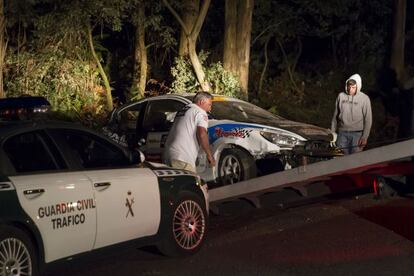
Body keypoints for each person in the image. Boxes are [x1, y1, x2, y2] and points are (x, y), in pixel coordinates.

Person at [164, 91, 216, 172]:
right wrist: (210, 156)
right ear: (202, 102)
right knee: (194, 183)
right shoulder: (200, 112)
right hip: (182, 158)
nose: (210, 108)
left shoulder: (183, 110)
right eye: (209, 104)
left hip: (168, 155)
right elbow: (202, 134)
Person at [331, 73, 372, 154]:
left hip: (357, 135)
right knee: (339, 158)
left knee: (355, 160)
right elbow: (335, 116)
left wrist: (364, 137)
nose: (350, 89)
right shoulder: (341, 96)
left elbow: (368, 119)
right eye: (349, 87)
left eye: (353, 87)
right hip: (342, 133)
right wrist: (332, 132)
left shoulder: (364, 99)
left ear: (358, 87)